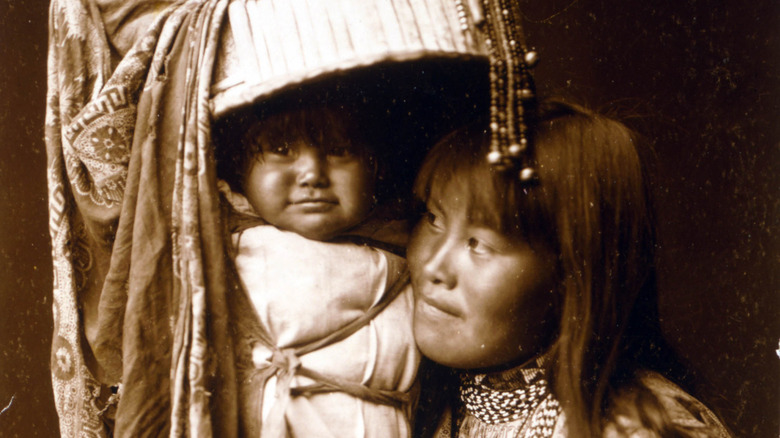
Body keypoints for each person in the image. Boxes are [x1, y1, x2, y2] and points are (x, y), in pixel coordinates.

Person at [408, 99, 733, 437]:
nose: (434, 265)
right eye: (433, 218)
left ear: (569, 277)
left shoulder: (636, 429)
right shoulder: (413, 395)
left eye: (479, 244)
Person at [216, 98, 420, 437]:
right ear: (240, 170)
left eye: (339, 150)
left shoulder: (410, 252)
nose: (312, 175)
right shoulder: (225, 250)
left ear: (376, 167)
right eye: (281, 149)